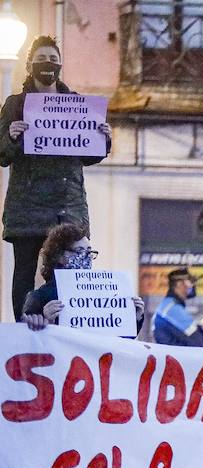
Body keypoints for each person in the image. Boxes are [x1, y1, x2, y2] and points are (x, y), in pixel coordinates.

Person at [0, 35, 112, 320]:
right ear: (30, 66)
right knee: (25, 270)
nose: (47, 65)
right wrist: (12, 136)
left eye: (52, 59)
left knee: (75, 270)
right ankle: (25, 325)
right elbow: (1, 156)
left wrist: (104, 140)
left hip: (67, 207)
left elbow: (89, 156)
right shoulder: (15, 105)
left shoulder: (76, 105)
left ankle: (72, 323)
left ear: (60, 64)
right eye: (41, 60)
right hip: (28, 206)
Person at [22, 224, 145, 333]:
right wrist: (45, 320)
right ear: (60, 256)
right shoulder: (39, 297)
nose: (86, 257)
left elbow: (119, 337)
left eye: (89, 252)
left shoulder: (104, 292)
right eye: (79, 251)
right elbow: (26, 342)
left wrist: (135, 318)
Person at [153, 267, 203, 347]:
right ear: (179, 284)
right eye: (190, 281)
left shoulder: (170, 305)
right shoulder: (172, 309)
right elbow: (197, 340)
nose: (192, 286)